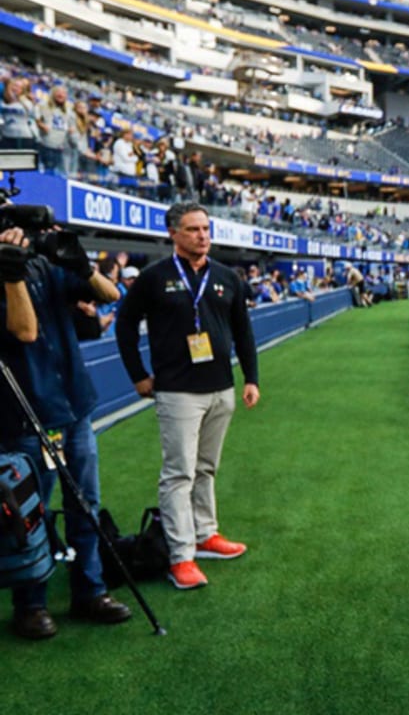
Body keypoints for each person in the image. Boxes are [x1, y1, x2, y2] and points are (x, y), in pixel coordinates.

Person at [114, 201, 260, 592]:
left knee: (206, 468)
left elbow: (243, 331)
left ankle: (205, 534)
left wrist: (251, 378)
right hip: (178, 391)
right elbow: (124, 324)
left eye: (206, 228)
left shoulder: (227, 276)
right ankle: (181, 556)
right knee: (179, 473)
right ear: (173, 234)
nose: (203, 236)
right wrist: (138, 375)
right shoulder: (153, 277)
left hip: (220, 388)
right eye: (194, 229)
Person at [0, 222, 130, 638]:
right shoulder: (11, 269)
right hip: (28, 413)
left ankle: (90, 591)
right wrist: (11, 274)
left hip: (75, 403)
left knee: (86, 502)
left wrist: (80, 263)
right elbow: (25, 330)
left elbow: (112, 295)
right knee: (29, 514)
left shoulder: (45, 261)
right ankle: (30, 604)